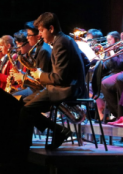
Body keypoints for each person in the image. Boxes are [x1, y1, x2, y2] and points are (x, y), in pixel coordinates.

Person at [15, 12, 87, 159]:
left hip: (66, 89)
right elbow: (86, 61)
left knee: (26, 110)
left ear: (51, 28)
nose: (39, 35)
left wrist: (40, 75)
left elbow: (59, 78)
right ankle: (58, 131)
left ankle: (21, 155)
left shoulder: (61, 43)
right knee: (22, 104)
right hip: (66, 86)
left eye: (41, 31)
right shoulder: (64, 40)